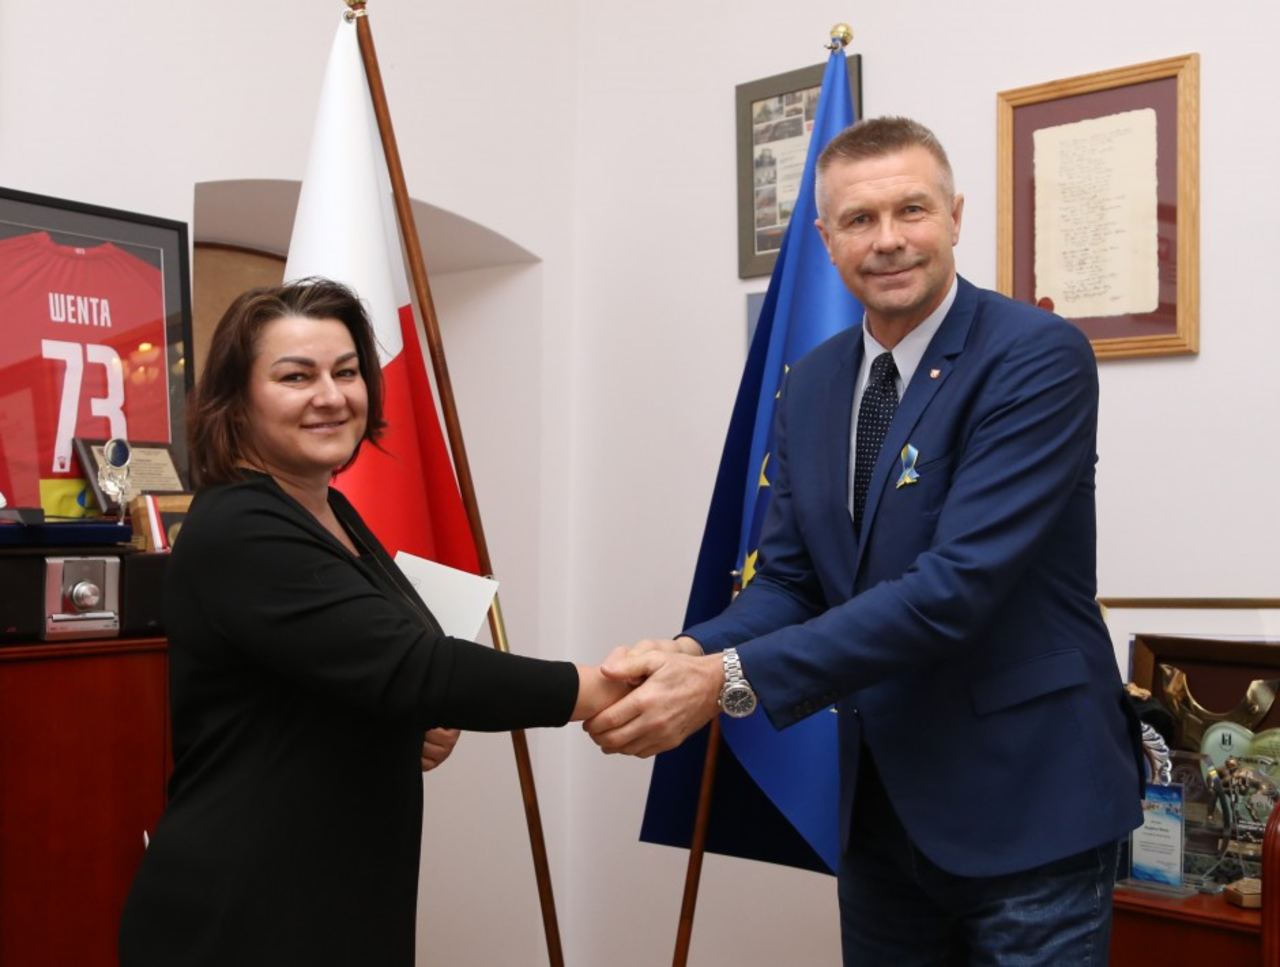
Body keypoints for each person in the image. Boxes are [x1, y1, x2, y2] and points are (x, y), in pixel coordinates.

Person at [587, 117, 1145, 964]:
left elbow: (952, 589)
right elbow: (790, 582)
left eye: (911, 209)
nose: (888, 240)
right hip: (881, 814)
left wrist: (724, 680)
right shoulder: (812, 383)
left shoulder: (1036, 356)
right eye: (859, 219)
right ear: (826, 238)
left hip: (1030, 805)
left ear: (955, 216)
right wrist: (684, 652)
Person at [118, 278, 626, 966]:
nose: (331, 396)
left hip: (337, 892)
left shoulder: (330, 510)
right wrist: (603, 688)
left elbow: (351, 669)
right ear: (236, 401)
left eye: (347, 371)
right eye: (296, 376)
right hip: (244, 909)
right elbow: (416, 669)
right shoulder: (241, 526)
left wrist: (404, 722)